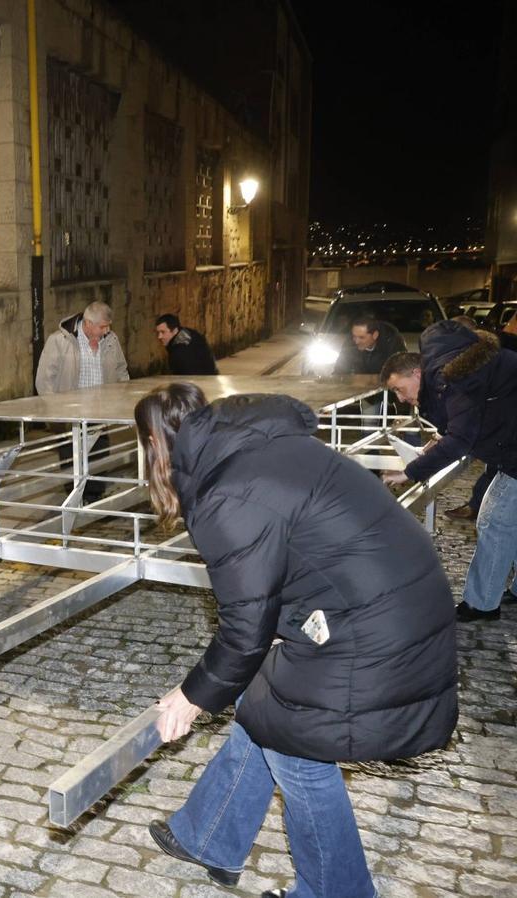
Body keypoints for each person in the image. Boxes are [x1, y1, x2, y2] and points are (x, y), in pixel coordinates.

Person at [135, 383, 457, 898]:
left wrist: (192, 696)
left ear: (155, 443)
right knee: (265, 702)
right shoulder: (258, 450)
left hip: (375, 629)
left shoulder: (227, 490)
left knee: (298, 749)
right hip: (391, 604)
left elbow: (246, 623)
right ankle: (211, 835)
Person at [381, 321, 517, 622]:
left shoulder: (453, 376)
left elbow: (461, 440)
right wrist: (442, 437)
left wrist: (410, 472)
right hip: (511, 446)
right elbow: (469, 416)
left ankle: (481, 605)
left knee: (495, 522)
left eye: (400, 390)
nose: (401, 400)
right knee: (508, 521)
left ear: (417, 373)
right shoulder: (455, 370)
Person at [36, 301, 130, 504]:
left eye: (108, 326)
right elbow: (44, 380)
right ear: (88, 323)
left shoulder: (111, 341)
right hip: (70, 414)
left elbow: (122, 371)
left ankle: (94, 496)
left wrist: (122, 400)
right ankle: (74, 497)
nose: (107, 331)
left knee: (99, 454)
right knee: (72, 457)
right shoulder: (60, 341)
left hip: (102, 411)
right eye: (103, 327)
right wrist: (55, 410)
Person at [334, 316, 406, 376]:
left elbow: (400, 371)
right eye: (354, 336)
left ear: (375, 335)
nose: (356, 341)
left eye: (361, 337)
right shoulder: (349, 344)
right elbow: (339, 371)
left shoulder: (392, 343)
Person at [154, 313, 218, 375]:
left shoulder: (181, 350)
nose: (159, 337)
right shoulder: (186, 332)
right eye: (158, 332)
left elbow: (187, 376)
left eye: (163, 332)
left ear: (174, 330)